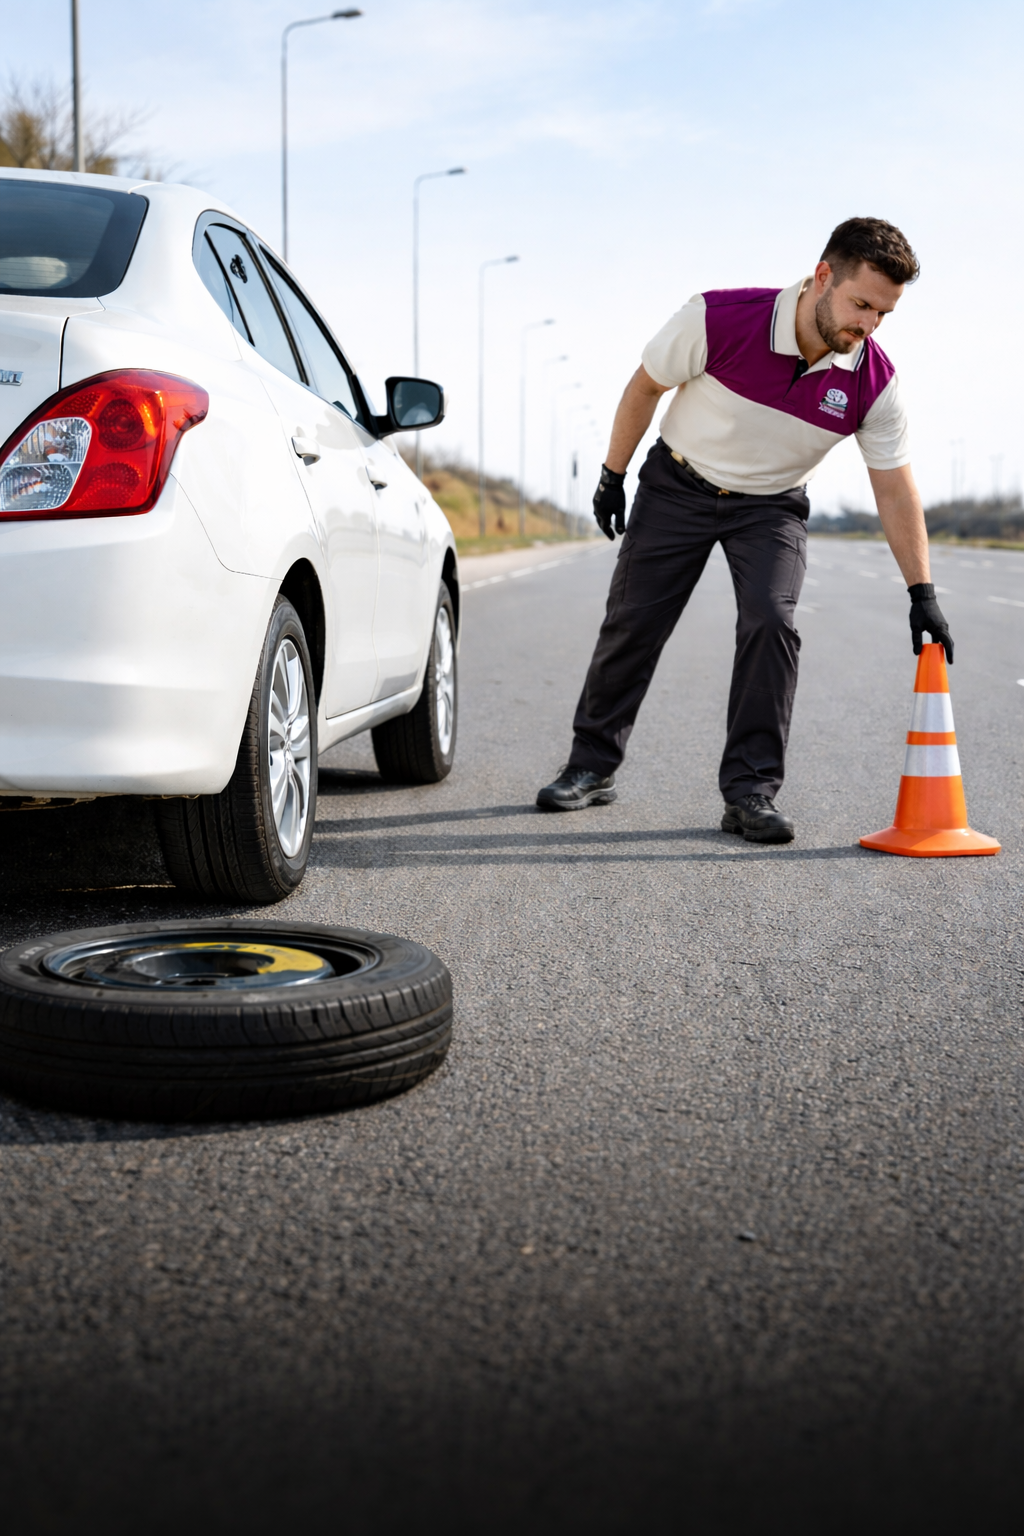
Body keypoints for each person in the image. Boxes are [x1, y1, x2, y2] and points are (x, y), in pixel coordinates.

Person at [536, 217, 952, 843]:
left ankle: (750, 793)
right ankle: (590, 766)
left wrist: (922, 591)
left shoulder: (873, 381)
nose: (869, 325)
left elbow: (894, 488)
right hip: (678, 485)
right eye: (861, 304)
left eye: (883, 313)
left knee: (771, 621)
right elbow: (646, 386)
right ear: (823, 277)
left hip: (772, 507)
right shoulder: (718, 318)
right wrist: (611, 474)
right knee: (633, 623)